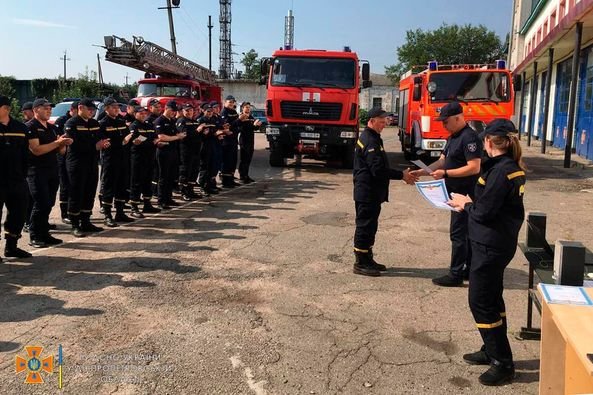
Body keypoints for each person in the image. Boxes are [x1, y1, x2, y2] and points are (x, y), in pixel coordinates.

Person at [448, 119, 525, 386]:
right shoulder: (504, 167)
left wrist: (465, 204)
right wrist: (469, 204)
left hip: (490, 246)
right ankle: (490, 348)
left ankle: (503, 363)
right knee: (492, 298)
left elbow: (484, 211)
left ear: (489, 142)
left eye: (483, 141)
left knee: (480, 301)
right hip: (495, 243)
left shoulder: (501, 171)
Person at [410, 101, 482, 287]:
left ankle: (456, 274)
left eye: (446, 121)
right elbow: (442, 161)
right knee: (464, 234)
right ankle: (468, 269)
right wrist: (423, 172)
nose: (443, 125)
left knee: (459, 234)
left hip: (465, 194)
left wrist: (447, 174)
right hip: (453, 193)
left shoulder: (469, 137)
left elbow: (474, 167)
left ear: (458, 117)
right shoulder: (452, 137)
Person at [352, 107, 417, 276]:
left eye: (385, 122)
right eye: (381, 122)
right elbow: (378, 170)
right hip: (367, 192)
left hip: (372, 192)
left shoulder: (373, 137)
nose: (384, 125)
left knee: (371, 226)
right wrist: (402, 175)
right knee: (365, 226)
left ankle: (368, 258)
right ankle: (360, 262)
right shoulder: (370, 140)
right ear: (371, 121)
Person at [25, 98, 72, 247]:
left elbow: (61, 151)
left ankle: (44, 233)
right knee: (41, 203)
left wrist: (63, 145)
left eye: (50, 108)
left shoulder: (51, 128)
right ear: (36, 109)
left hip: (52, 170)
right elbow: (36, 150)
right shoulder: (30, 126)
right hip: (36, 171)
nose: (49, 110)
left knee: (49, 203)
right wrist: (57, 143)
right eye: (45, 108)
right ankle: (35, 235)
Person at [64, 98, 110, 237]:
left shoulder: (94, 123)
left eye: (93, 110)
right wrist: (95, 146)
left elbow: (99, 138)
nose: (91, 112)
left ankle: (86, 221)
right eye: (89, 109)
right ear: (80, 107)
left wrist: (103, 143)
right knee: (76, 193)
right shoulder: (71, 123)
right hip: (77, 163)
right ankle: (74, 224)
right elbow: (75, 144)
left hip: (92, 162)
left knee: (89, 192)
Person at [0, 95, 33, 260]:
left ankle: (11, 247)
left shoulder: (20, 128)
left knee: (19, 212)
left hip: (17, 179)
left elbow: (25, 154)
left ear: (6, 109)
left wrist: (23, 173)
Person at [98, 97, 134, 227]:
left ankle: (120, 212)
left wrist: (129, 139)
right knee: (109, 187)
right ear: (106, 109)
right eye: (113, 107)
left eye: (117, 107)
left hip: (122, 158)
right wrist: (122, 141)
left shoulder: (121, 121)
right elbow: (105, 143)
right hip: (110, 159)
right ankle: (107, 215)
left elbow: (126, 136)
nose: (116, 109)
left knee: (121, 186)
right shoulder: (102, 123)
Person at [128, 106, 161, 217]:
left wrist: (154, 141)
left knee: (148, 180)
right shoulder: (134, 125)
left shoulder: (149, 125)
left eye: (144, 113)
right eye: (140, 113)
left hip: (150, 156)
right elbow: (135, 140)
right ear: (135, 114)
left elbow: (155, 137)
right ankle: (134, 207)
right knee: (136, 182)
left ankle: (147, 204)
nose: (143, 115)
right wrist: (147, 141)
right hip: (138, 158)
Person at [154, 100, 185, 209]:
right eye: (172, 110)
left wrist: (178, 135)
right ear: (166, 108)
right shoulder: (159, 121)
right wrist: (177, 137)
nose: (173, 113)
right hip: (164, 152)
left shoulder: (172, 121)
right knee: (163, 176)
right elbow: (161, 137)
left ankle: (168, 198)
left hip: (172, 151)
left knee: (171, 176)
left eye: (175, 111)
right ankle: (161, 200)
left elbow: (174, 133)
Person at [55, 101, 78, 223]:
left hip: (73, 157)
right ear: (72, 109)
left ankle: (73, 210)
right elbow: (60, 139)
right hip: (63, 156)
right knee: (64, 184)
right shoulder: (61, 120)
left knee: (72, 184)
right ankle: (64, 213)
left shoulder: (78, 121)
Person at [176, 103, 202, 201]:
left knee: (194, 171)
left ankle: (191, 191)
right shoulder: (181, 121)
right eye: (186, 110)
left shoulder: (195, 122)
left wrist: (203, 132)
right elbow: (184, 135)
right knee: (185, 171)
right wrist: (198, 131)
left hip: (196, 150)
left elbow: (199, 135)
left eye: (190, 110)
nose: (189, 112)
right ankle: (184, 191)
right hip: (186, 150)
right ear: (183, 111)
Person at [220, 95, 242, 187]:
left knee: (233, 161)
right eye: (230, 102)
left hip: (233, 139)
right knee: (227, 161)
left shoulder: (233, 111)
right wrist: (238, 120)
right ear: (225, 102)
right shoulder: (224, 112)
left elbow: (238, 124)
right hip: (227, 141)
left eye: (233, 102)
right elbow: (227, 125)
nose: (231, 104)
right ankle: (225, 181)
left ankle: (231, 179)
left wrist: (240, 121)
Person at [237, 102, 261, 183]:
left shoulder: (250, 116)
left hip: (250, 140)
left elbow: (253, 128)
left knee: (248, 159)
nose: (248, 109)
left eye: (249, 107)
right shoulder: (241, 117)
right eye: (246, 107)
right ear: (242, 108)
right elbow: (241, 128)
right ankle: (242, 176)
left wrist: (257, 125)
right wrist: (253, 125)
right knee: (244, 158)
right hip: (244, 140)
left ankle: (246, 175)